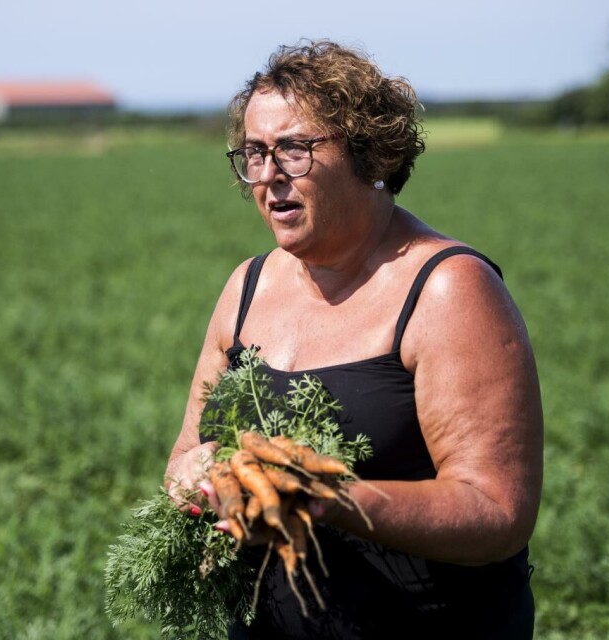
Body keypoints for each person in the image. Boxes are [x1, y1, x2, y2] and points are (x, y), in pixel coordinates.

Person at [165, 39, 544, 639]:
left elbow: (497, 512)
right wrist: (203, 476)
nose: (267, 176)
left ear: (367, 151)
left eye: (294, 150)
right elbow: (185, 456)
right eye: (254, 153)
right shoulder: (247, 286)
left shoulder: (448, 291)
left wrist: (328, 499)